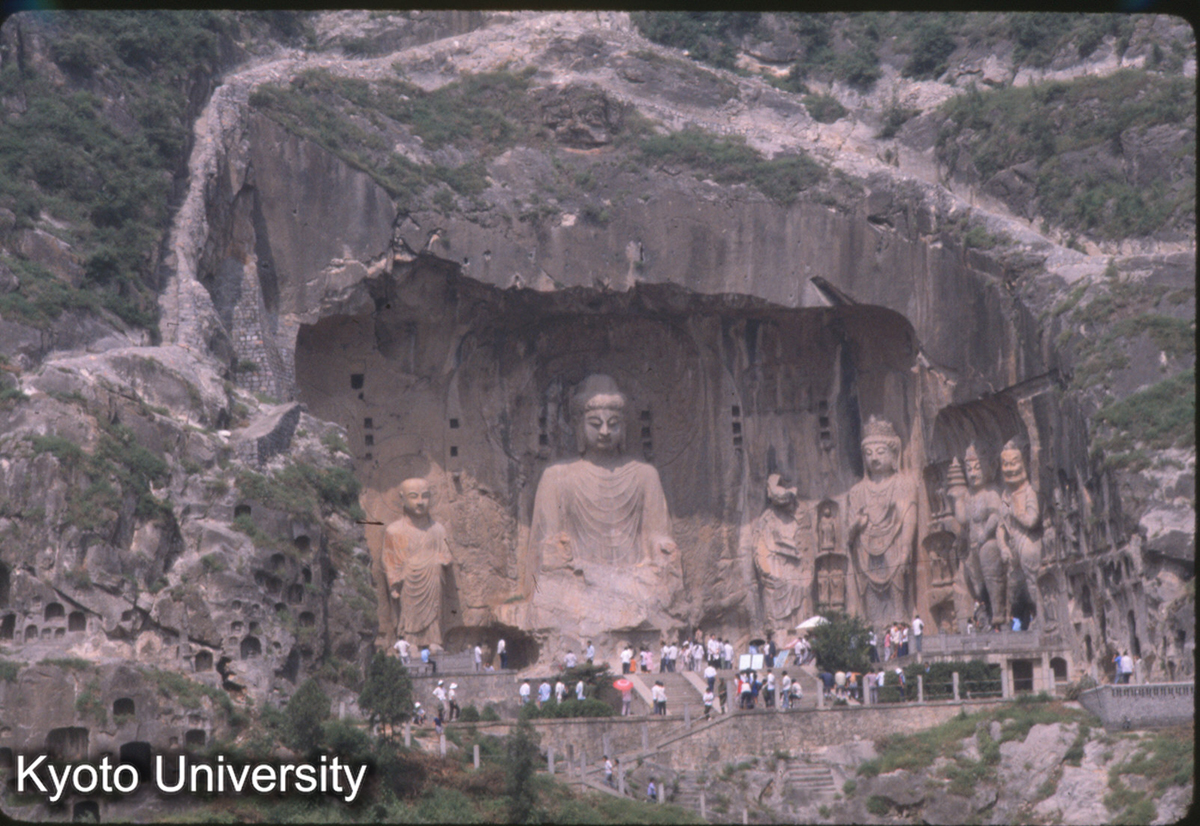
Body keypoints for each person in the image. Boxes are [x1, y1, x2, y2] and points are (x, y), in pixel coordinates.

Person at [383, 477, 454, 648]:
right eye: (414, 496)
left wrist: (441, 560)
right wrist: (394, 583)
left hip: (432, 583)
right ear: (402, 498)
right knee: (408, 609)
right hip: (408, 584)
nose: (420, 502)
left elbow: (446, 555)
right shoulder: (394, 531)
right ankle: (409, 641)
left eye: (425, 496)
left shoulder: (438, 530)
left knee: (434, 571)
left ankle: (434, 640)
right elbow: (388, 561)